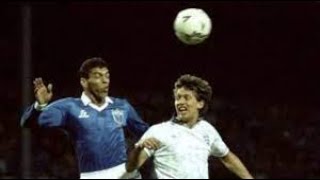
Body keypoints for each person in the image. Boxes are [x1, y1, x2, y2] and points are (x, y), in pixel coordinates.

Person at [20, 57, 149, 179]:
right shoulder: (69, 107)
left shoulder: (122, 106)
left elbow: (146, 133)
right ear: (84, 82)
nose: (105, 80)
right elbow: (29, 124)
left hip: (125, 173)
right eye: (98, 76)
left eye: (107, 76)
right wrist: (40, 106)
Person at [126, 74, 254, 179]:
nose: (180, 102)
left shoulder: (207, 130)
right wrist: (138, 148)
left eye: (186, 98)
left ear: (200, 103)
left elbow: (227, 157)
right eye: (178, 98)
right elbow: (131, 167)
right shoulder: (158, 131)